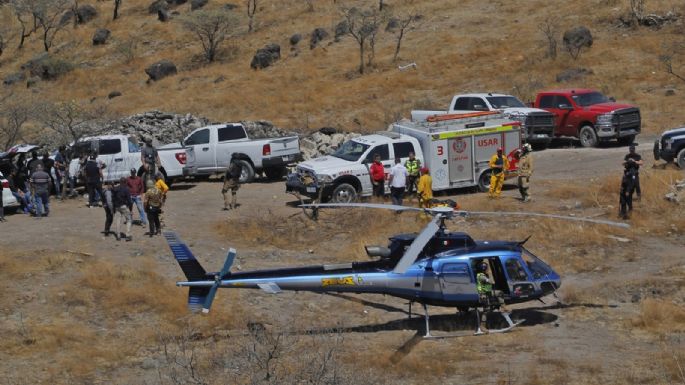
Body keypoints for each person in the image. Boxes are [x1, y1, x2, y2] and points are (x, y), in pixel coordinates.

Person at [476, 261, 494, 333]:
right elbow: (491, 282)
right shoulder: (482, 276)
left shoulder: (481, 275)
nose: (488, 269)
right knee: (486, 310)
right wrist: (490, 274)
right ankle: (482, 326)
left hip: (485, 293)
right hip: (483, 295)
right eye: (487, 268)